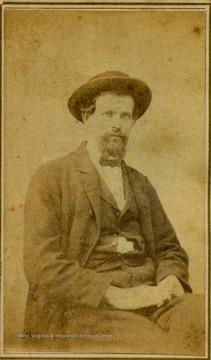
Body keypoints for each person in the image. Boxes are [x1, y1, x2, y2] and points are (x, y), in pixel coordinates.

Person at [23, 71, 205, 355]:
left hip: (151, 297)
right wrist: (114, 295)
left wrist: (170, 279)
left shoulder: (140, 183)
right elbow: (41, 263)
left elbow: (169, 248)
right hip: (86, 307)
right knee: (152, 347)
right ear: (87, 118)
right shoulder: (51, 177)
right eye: (108, 114)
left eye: (125, 116)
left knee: (202, 318)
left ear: (133, 122)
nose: (117, 125)